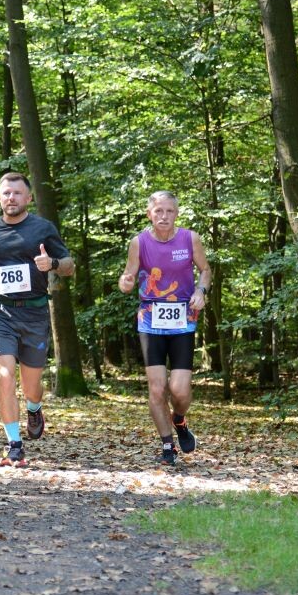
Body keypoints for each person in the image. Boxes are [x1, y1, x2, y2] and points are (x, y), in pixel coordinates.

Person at [0, 172, 74, 467]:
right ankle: (14, 444)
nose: (10, 198)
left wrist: (51, 263)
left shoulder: (43, 228)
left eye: (16, 193)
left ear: (28, 198)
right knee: (4, 376)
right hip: (1, 313)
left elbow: (69, 265)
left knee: (32, 385)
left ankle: (34, 408)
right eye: (5, 193)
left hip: (35, 313)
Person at [117, 191, 211, 466]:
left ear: (176, 214)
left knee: (179, 390)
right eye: (158, 211)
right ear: (149, 214)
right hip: (150, 319)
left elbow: (205, 270)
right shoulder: (139, 242)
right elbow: (129, 276)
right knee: (157, 390)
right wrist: (125, 283)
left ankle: (179, 420)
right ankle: (167, 445)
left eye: (169, 211)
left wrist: (201, 290)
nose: (164, 216)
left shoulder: (190, 238)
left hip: (183, 318)